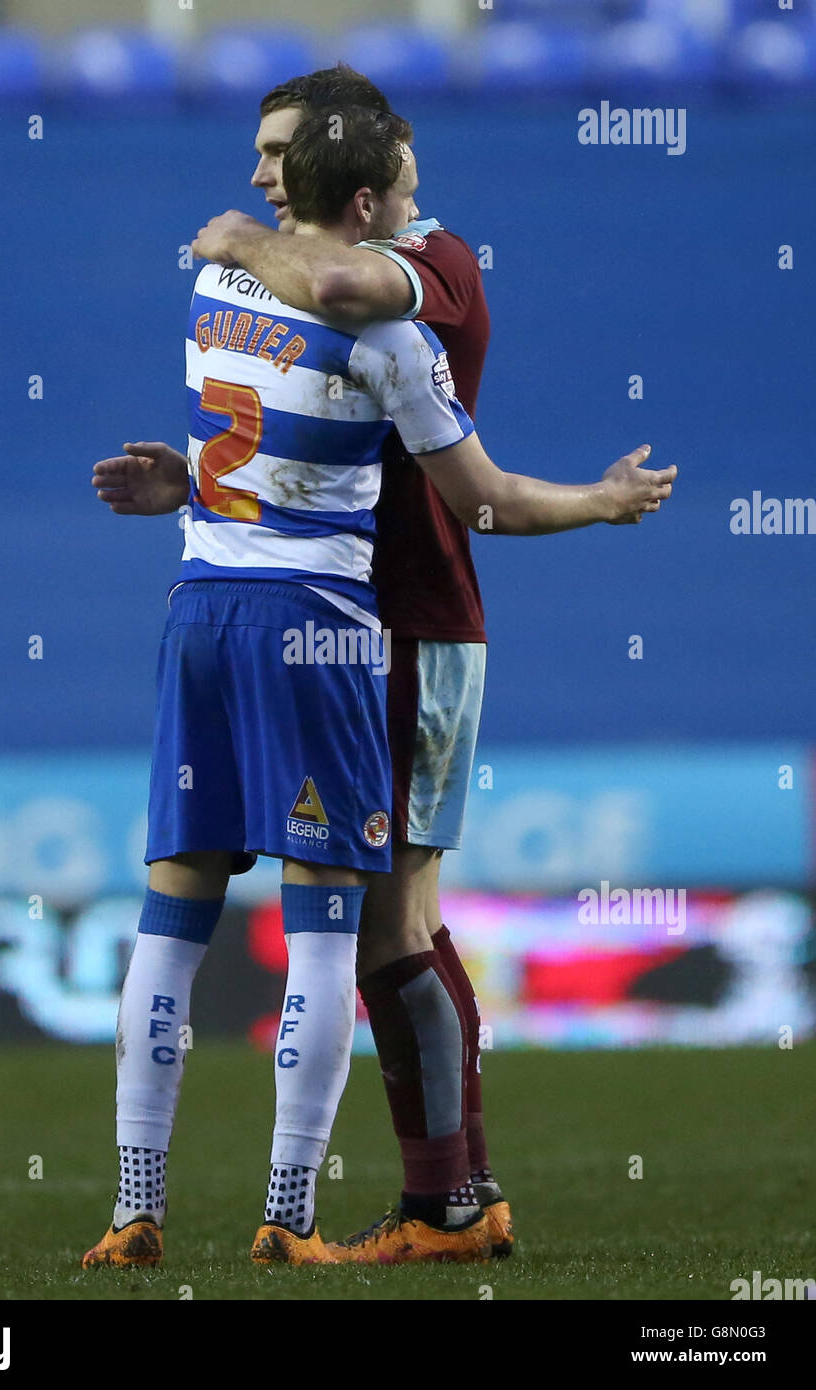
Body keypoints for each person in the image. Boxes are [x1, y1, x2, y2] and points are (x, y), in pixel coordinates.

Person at [87, 101, 676, 1268]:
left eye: (276, 155)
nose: (256, 177)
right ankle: (316, 1212)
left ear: (356, 183)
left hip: (313, 617)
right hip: (329, 624)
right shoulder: (366, 321)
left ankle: (160, 1202)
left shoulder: (418, 269)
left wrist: (234, 252)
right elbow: (482, 495)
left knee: (265, 919)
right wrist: (605, 505)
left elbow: (340, 298)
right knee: (349, 930)